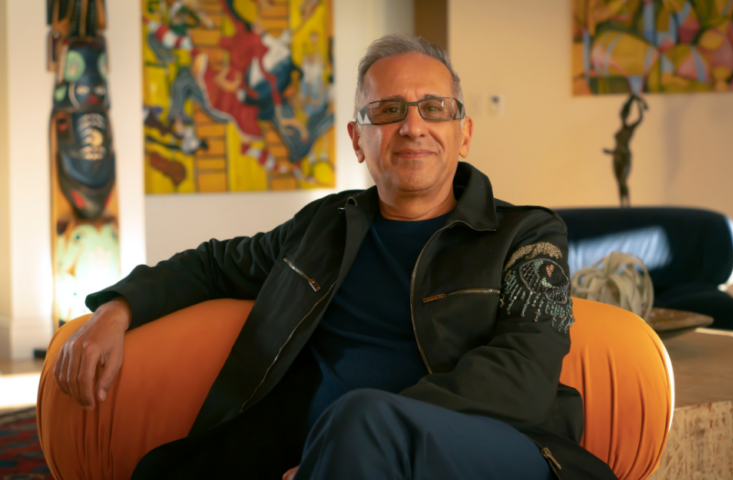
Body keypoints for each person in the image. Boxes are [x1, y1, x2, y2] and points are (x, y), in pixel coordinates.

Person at [52, 34, 618, 480]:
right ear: (357, 138)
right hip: (333, 452)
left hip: (500, 448)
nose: (413, 125)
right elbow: (211, 264)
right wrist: (115, 310)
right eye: (389, 110)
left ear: (463, 133)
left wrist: (350, 444)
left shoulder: (527, 233)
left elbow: (524, 377)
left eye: (433, 108)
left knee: (361, 418)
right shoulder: (323, 229)